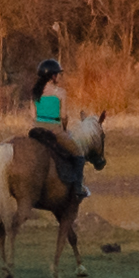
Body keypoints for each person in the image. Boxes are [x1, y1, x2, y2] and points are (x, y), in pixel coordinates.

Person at [28, 58, 88, 199]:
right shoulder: (60, 93)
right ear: (53, 76)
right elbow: (64, 116)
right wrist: (64, 129)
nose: (59, 77)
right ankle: (78, 188)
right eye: (58, 74)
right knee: (79, 155)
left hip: (36, 130)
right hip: (54, 129)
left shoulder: (35, 92)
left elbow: (32, 115)